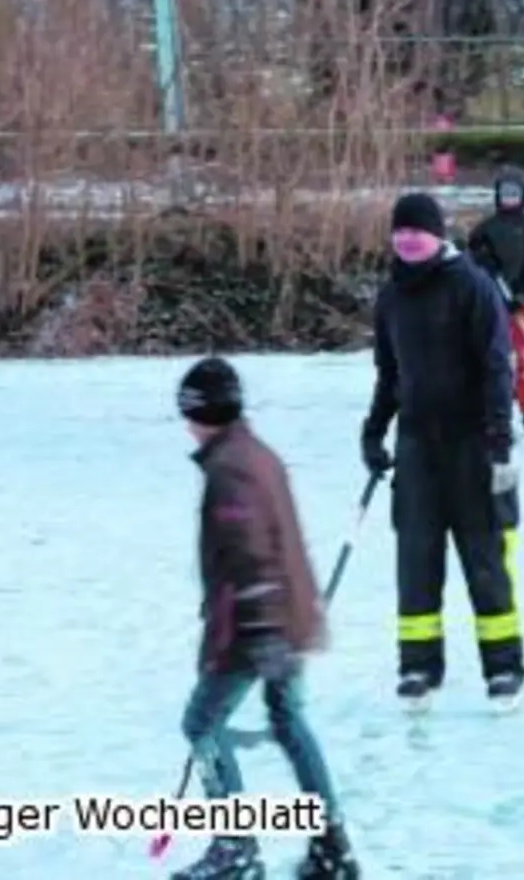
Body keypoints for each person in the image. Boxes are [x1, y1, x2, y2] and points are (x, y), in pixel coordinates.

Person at [172, 357, 359, 880]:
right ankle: (332, 846)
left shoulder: (232, 469)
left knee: (202, 723)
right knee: (289, 721)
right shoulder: (254, 455)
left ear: (198, 412)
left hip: (256, 626)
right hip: (286, 616)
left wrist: (260, 630)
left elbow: (253, 553)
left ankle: (236, 848)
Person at [361, 192, 524, 712]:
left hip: (472, 443)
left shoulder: (472, 287)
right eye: (400, 231)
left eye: (418, 231)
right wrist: (374, 432)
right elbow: (389, 375)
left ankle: (503, 669)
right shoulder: (391, 296)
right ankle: (418, 667)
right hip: (415, 447)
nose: (408, 239)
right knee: (416, 561)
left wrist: (499, 435)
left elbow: (497, 365)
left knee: (484, 559)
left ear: (437, 236)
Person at [467, 165, 524, 428]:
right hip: (491, 305)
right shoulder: (486, 229)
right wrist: (483, 265)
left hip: (521, 305)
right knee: (491, 355)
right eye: (504, 193)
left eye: (514, 193)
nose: (509, 198)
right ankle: (491, 405)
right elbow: (470, 263)